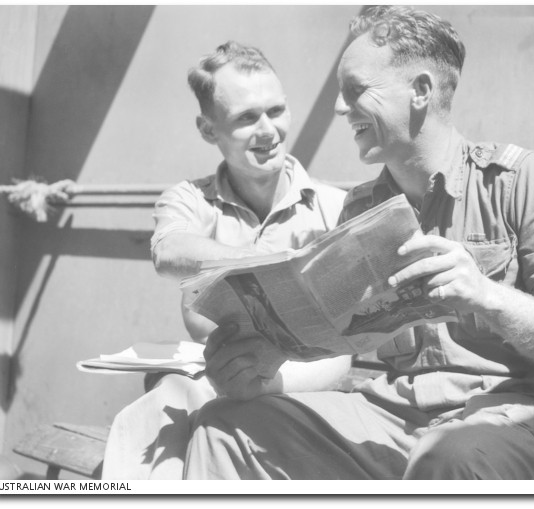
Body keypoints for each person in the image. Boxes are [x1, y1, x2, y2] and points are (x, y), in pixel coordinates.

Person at [183, 6, 534, 480]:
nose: (340, 108)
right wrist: (264, 361)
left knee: (447, 457)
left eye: (356, 90)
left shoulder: (521, 179)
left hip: (509, 417)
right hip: (390, 415)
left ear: (420, 90)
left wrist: (488, 296)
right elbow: (336, 336)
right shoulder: (360, 209)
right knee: (223, 426)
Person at [102, 41, 349, 479]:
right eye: (246, 118)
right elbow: (169, 251)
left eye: (276, 110)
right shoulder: (191, 200)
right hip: (210, 376)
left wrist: (266, 380)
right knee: (143, 423)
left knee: (224, 428)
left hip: (303, 387)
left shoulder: (334, 207)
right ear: (207, 129)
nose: (268, 130)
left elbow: (343, 350)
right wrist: (270, 260)